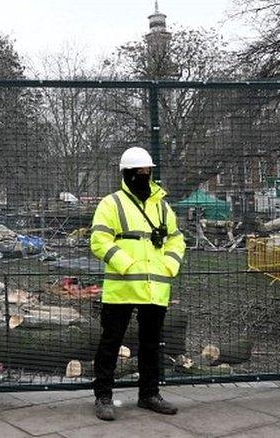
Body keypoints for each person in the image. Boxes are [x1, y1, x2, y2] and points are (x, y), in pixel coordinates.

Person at [89, 147, 185, 421]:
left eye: (147, 171)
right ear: (126, 174)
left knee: (152, 344)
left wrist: (170, 264)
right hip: (121, 288)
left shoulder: (162, 206)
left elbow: (176, 239)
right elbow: (99, 241)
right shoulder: (111, 204)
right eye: (138, 172)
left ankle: (149, 394)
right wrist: (126, 265)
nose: (144, 176)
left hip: (155, 287)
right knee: (111, 342)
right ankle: (103, 396)